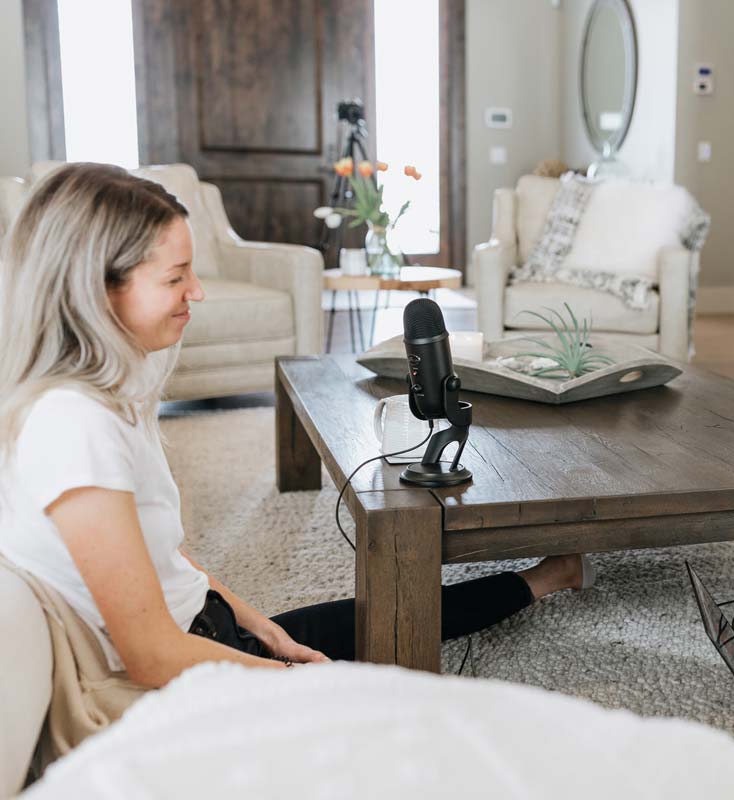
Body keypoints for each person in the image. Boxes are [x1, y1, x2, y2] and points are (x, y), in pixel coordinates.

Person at [0, 163, 592, 687]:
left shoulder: (100, 401)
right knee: (401, 705)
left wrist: (265, 631)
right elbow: (152, 658)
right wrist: (292, 681)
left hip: (206, 633)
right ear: (96, 291)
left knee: (378, 617)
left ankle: (545, 577)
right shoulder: (71, 426)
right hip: (179, 677)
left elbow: (166, 560)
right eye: (176, 277)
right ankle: (543, 579)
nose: (197, 292)